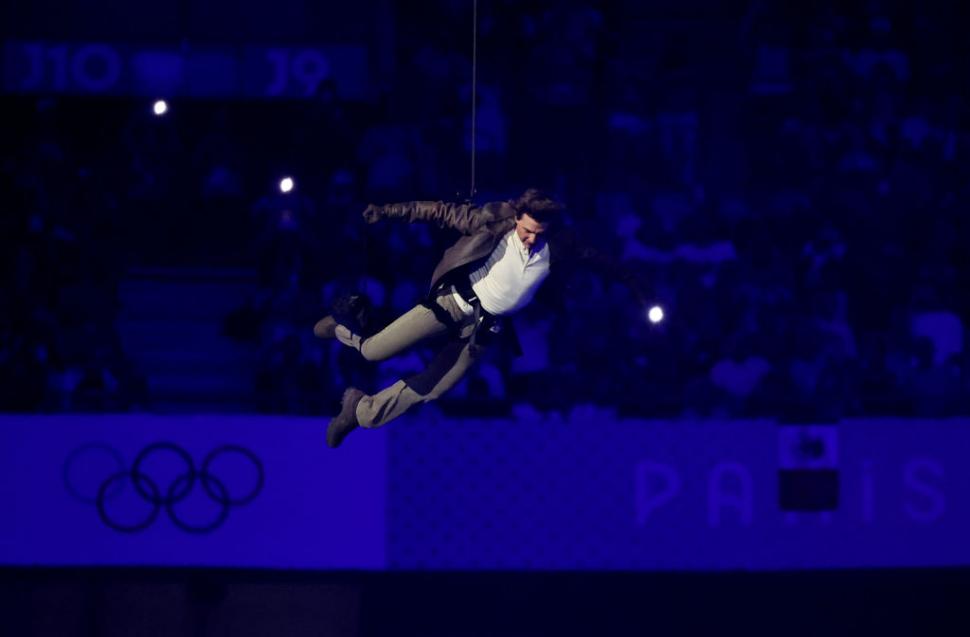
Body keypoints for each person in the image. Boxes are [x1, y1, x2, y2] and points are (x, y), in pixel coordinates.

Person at [316, 188, 647, 447]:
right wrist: (387, 211)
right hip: (452, 304)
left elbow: (599, 260)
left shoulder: (556, 246)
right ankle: (343, 327)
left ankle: (361, 410)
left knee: (434, 388)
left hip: (482, 329)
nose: (532, 239)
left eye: (539, 233)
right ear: (517, 218)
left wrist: (636, 284)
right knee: (373, 351)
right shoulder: (493, 222)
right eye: (527, 231)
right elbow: (438, 211)